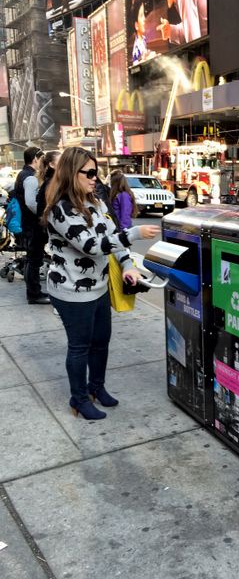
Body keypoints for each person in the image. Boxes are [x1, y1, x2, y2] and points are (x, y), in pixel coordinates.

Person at [43, 147, 158, 420]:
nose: (95, 178)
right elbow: (93, 246)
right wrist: (135, 234)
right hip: (70, 291)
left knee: (101, 342)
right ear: (73, 174)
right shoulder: (60, 210)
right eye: (90, 173)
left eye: (97, 173)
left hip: (99, 287)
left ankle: (96, 388)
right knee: (79, 346)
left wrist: (128, 266)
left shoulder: (96, 203)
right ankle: (79, 398)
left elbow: (112, 236)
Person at [14, 147, 48, 304]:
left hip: (27, 224)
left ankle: (33, 292)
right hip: (32, 225)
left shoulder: (23, 174)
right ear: (35, 159)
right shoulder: (30, 177)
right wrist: (43, 214)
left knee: (31, 259)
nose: (43, 162)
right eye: (42, 159)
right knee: (34, 259)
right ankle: (34, 294)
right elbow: (31, 203)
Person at [131, 0, 151, 65]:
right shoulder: (136, 48)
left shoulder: (143, 39)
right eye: (141, 16)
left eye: (144, 15)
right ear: (136, 25)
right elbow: (136, 66)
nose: (144, 19)